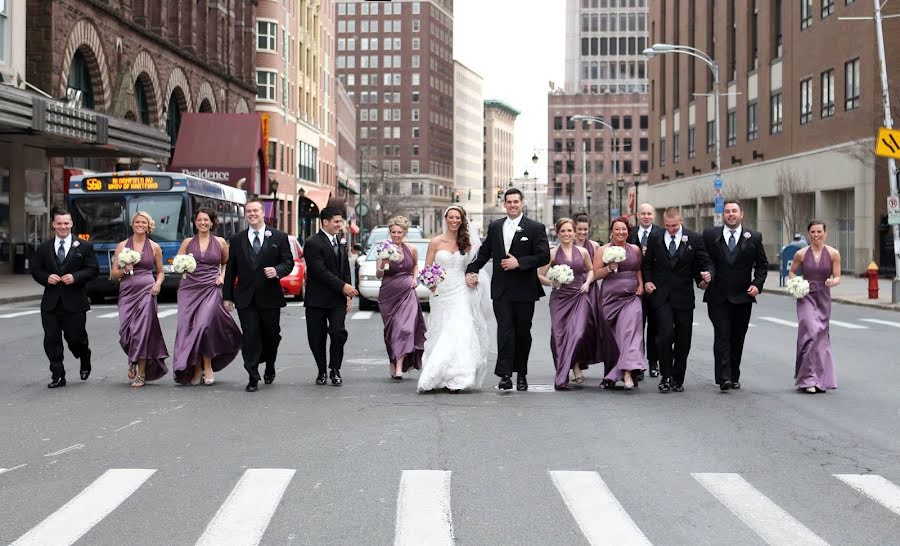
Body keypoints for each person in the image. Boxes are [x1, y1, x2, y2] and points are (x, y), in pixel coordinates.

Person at [466, 188, 550, 391]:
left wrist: (518, 263)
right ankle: (505, 375)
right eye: (509, 202)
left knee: (523, 334)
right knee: (505, 332)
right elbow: (484, 253)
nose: (512, 205)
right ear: (504, 204)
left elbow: (543, 256)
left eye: (516, 202)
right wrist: (471, 269)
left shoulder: (535, 228)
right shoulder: (495, 227)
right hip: (502, 290)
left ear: (522, 203)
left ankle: (521, 374)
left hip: (525, 290)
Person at [418, 205, 493, 393]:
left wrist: (473, 277)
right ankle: (439, 374)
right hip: (441, 291)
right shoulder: (435, 242)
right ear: (446, 219)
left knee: (461, 329)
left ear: (462, 220)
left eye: (457, 218)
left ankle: (460, 375)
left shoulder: (467, 242)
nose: (454, 221)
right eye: (451, 217)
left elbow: (473, 266)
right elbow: (427, 269)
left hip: (461, 290)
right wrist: (431, 283)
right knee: (442, 329)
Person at [223, 198, 294, 392]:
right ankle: (252, 376)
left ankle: (269, 365)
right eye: (249, 211)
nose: (252, 214)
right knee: (250, 336)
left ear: (263, 213)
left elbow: (289, 262)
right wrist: (227, 297)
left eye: (256, 211)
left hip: (270, 297)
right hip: (246, 298)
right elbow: (231, 270)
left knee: (271, 336)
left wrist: (278, 270)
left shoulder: (279, 237)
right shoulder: (237, 240)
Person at [642, 207, 711, 393]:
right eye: (667, 226)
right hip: (661, 296)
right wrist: (647, 281)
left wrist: (707, 275)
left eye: (674, 225)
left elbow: (705, 262)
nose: (671, 229)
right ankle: (665, 376)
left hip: (683, 297)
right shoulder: (656, 237)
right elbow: (647, 263)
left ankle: (677, 378)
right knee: (664, 336)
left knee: (683, 340)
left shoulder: (694, 238)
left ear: (680, 220)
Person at [700, 200, 768, 390]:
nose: (731, 214)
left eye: (734, 211)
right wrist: (705, 276)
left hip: (742, 296)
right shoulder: (711, 235)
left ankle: (734, 374)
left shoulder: (753, 237)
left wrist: (757, 285)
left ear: (741, 214)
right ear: (724, 215)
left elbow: (762, 265)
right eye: (727, 211)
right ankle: (724, 377)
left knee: (737, 337)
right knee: (722, 334)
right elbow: (704, 260)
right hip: (717, 295)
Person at [172, 208, 242, 386]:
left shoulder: (220, 242)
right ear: (195, 223)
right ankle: (196, 368)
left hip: (211, 287)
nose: (203, 223)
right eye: (199, 220)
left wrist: (222, 276)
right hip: (189, 289)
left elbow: (227, 263)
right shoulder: (187, 242)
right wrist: (181, 266)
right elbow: (176, 264)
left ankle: (208, 365)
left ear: (212, 223)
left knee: (204, 326)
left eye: (206, 220)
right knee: (189, 329)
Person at [31, 208, 99, 388]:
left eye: (66, 223)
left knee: (75, 338)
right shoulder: (44, 248)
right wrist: (46, 278)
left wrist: (75, 277)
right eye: (59, 223)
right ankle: (58, 375)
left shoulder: (84, 246)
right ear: (53, 224)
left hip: (75, 302)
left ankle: (84, 356)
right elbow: (36, 269)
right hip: (51, 303)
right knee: (51, 339)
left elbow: (93, 270)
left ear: (71, 224)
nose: (63, 226)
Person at [111, 211, 169, 388]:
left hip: (147, 290)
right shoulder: (122, 246)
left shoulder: (155, 247)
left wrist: (158, 284)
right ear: (132, 224)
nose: (140, 225)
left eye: (144, 222)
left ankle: (142, 374)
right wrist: (125, 269)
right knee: (126, 332)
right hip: (127, 291)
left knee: (142, 331)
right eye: (137, 222)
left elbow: (160, 271)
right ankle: (133, 360)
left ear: (148, 225)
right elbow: (114, 274)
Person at [538, 218, 594, 390]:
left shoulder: (582, 251)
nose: (567, 234)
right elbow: (539, 275)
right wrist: (552, 283)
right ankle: (562, 373)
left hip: (579, 296)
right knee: (559, 336)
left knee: (577, 333)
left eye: (570, 231)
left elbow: (590, 270)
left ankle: (567, 371)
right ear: (558, 233)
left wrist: (587, 283)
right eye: (563, 231)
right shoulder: (553, 253)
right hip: (559, 299)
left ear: (574, 231)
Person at [304, 206, 357, 386]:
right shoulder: (312, 243)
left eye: (340, 221)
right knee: (316, 337)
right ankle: (321, 370)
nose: (339, 225)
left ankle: (335, 368)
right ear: (325, 222)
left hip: (337, 300)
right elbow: (319, 271)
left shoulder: (341, 242)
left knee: (338, 333)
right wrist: (344, 287)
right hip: (316, 299)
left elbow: (345, 270)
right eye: (336, 221)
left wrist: (347, 295)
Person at [595, 217, 646, 390]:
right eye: (617, 229)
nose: (621, 232)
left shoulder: (635, 249)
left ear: (628, 232)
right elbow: (595, 274)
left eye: (624, 229)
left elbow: (638, 268)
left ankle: (627, 371)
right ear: (611, 231)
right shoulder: (602, 250)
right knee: (612, 338)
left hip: (631, 297)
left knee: (630, 331)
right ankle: (611, 374)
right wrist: (609, 268)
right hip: (610, 297)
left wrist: (640, 284)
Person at [790, 220, 840, 394]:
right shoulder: (801, 254)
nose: (816, 235)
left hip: (823, 298)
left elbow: (837, 276)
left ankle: (820, 380)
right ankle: (807, 379)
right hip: (806, 297)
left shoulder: (834, 253)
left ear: (825, 233)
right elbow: (792, 272)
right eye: (813, 232)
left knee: (820, 337)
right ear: (808, 234)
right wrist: (795, 283)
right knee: (809, 333)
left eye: (819, 231)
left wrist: (832, 281)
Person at [377, 216, 426, 380]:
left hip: (407, 292)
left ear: (404, 233)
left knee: (404, 328)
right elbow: (379, 275)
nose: (396, 235)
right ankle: (393, 360)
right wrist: (383, 262)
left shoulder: (411, 249)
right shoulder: (384, 249)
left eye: (399, 232)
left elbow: (414, 265)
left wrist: (414, 278)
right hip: (388, 293)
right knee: (391, 331)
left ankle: (399, 367)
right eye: (393, 232)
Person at [627, 203, 663, 377]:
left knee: (655, 327)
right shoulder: (630, 233)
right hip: (633, 288)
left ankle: (653, 362)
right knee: (636, 327)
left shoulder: (661, 233)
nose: (646, 216)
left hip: (654, 287)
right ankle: (637, 364)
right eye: (643, 214)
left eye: (649, 213)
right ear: (638, 215)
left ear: (654, 215)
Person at [572, 212, 602, 382]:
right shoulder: (568, 244)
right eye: (579, 229)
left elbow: (597, 270)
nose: (582, 232)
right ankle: (575, 366)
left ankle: (582, 360)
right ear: (574, 228)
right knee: (576, 330)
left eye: (585, 229)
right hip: (572, 290)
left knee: (589, 329)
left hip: (590, 290)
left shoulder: (595, 246)